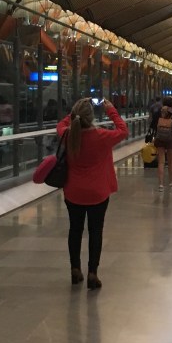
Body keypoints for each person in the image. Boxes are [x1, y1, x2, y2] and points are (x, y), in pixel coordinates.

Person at [56, 97, 128, 290]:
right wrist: (111, 110)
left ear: (74, 117)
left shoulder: (67, 135)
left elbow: (60, 125)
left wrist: (74, 111)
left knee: (75, 230)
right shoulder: (102, 136)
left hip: (73, 192)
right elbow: (123, 130)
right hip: (98, 192)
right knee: (96, 231)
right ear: (92, 117)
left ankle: (75, 269)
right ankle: (92, 273)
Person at [149, 96, 172, 190]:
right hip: (170, 138)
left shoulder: (158, 112)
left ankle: (161, 185)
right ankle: (171, 183)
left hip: (159, 138)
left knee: (161, 162)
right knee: (171, 162)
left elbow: (152, 125)